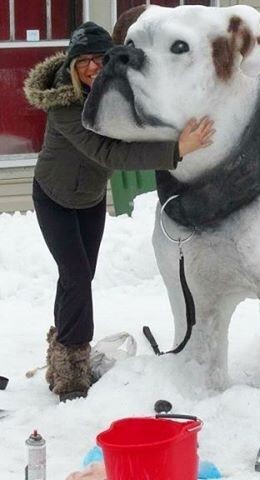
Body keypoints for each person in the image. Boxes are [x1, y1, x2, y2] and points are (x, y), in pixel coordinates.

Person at [24, 22, 214, 402]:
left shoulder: (112, 96)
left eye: (100, 59)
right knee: (76, 276)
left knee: (79, 276)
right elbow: (109, 153)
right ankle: (71, 371)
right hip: (55, 197)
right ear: (73, 66)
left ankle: (63, 346)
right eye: (84, 62)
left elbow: (138, 126)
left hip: (90, 197)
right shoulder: (65, 107)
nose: (93, 67)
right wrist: (178, 149)